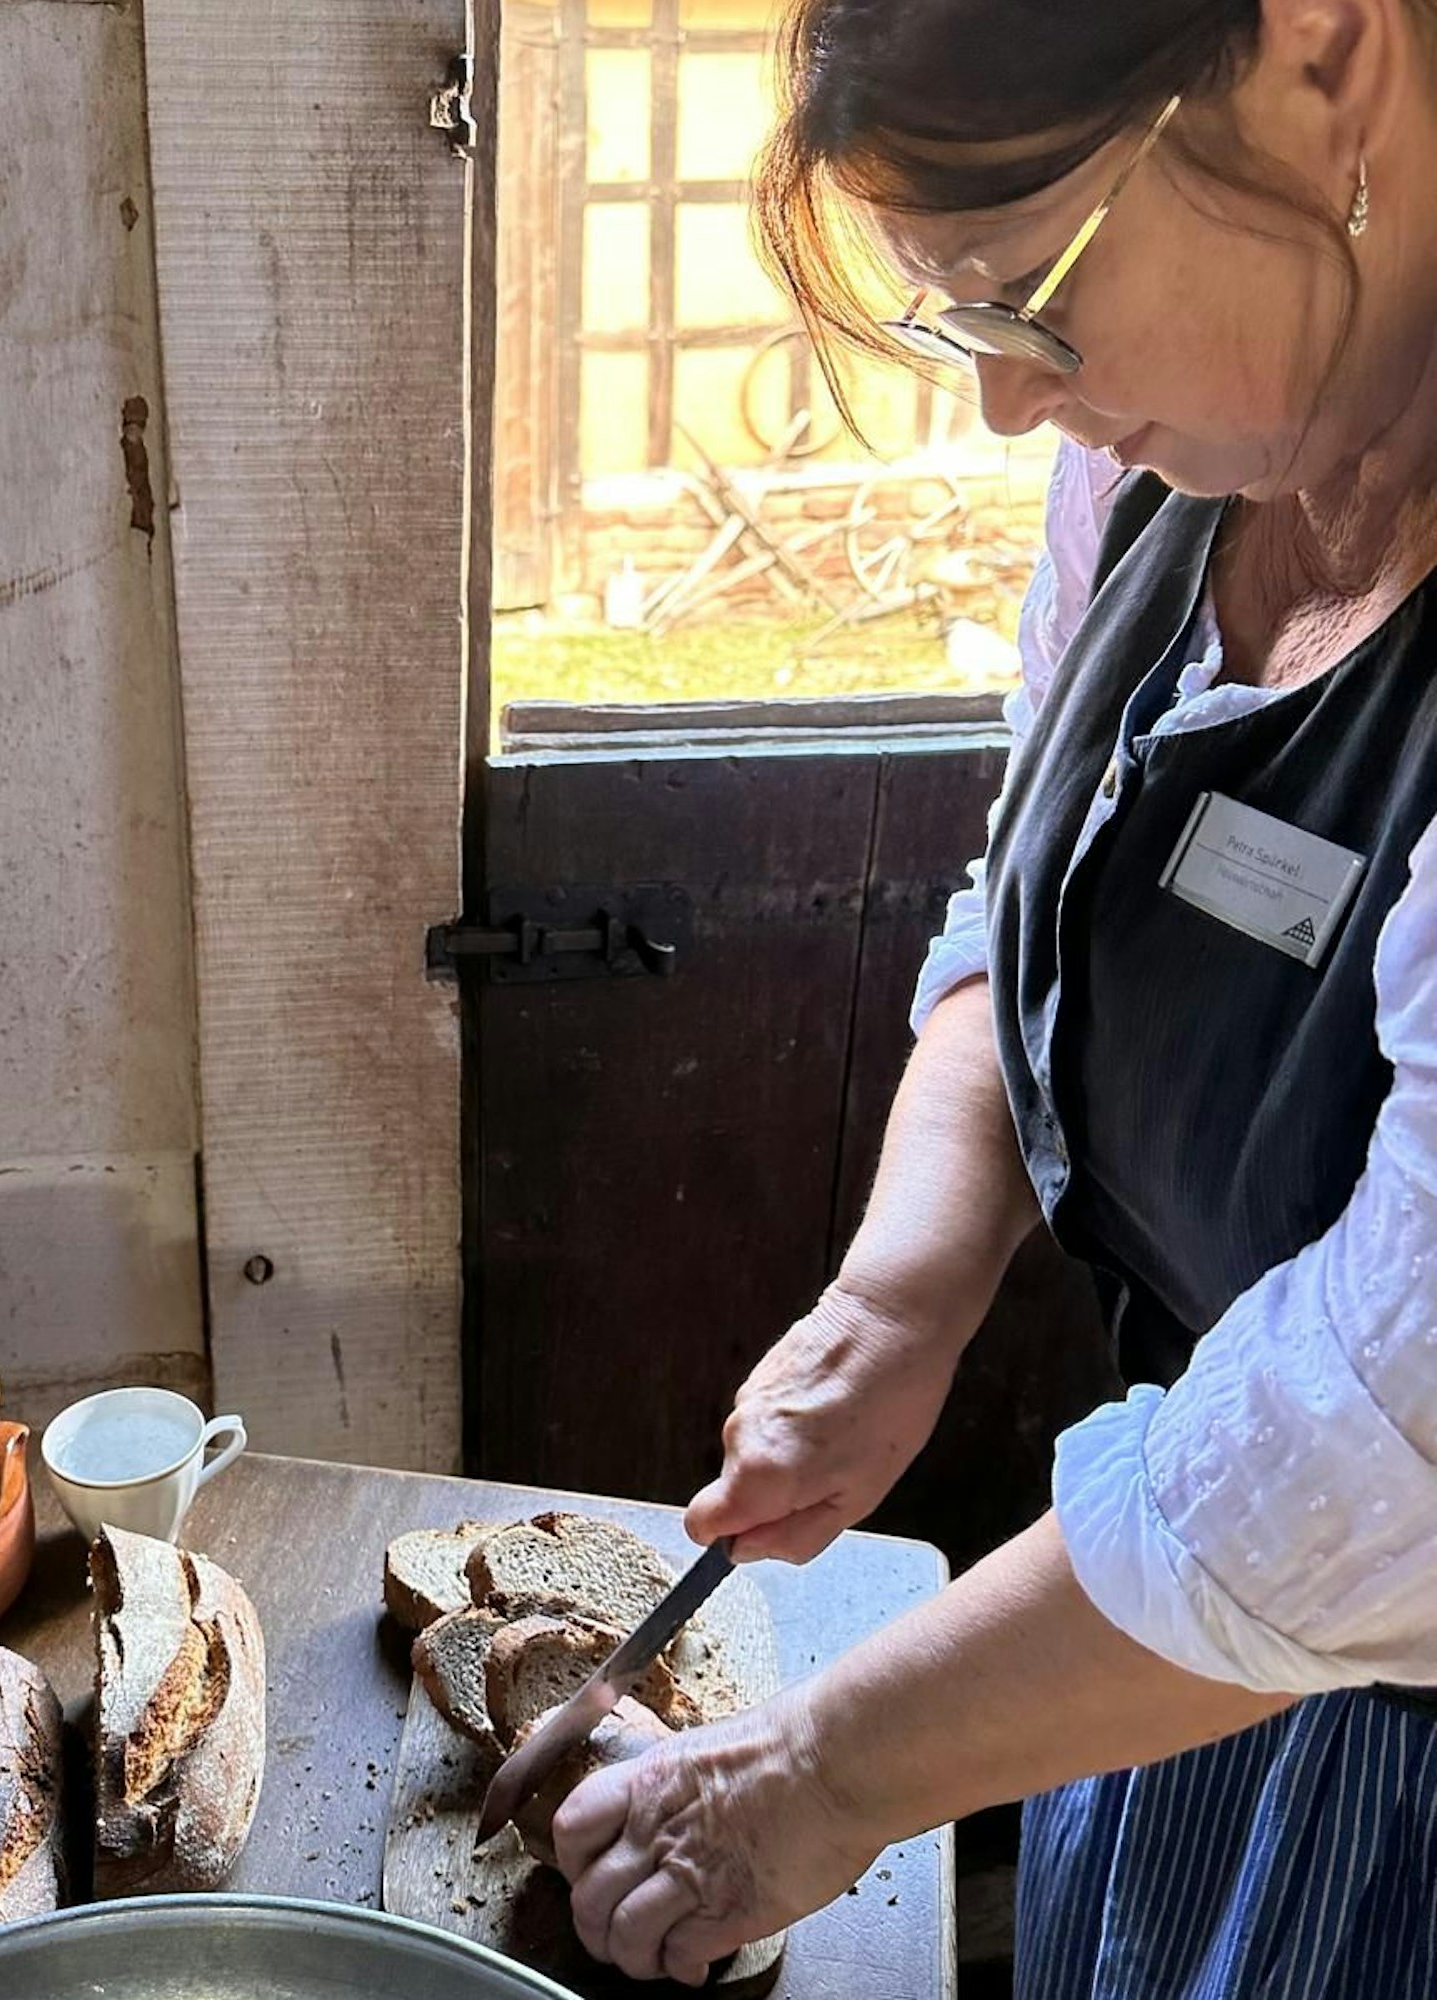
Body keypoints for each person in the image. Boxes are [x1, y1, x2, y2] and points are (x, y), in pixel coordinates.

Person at [554, 2, 1437, 1993]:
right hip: (1148, 1638)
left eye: (1024, 294)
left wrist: (812, 1773)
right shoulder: (1194, 445)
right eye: (962, 322)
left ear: (1324, 56)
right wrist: (900, 1293)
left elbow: (1390, 1432)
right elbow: (1037, 879)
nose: (1005, 405)